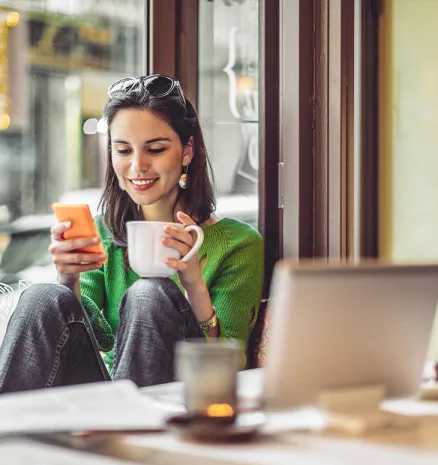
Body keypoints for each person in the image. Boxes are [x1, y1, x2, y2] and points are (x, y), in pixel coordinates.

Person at [0, 75, 263, 392]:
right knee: (43, 296)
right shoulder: (101, 232)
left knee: (149, 292)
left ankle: (131, 432)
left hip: (177, 398)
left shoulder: (238, 244)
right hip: (106, 396)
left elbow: (228, 365)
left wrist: (193, 284)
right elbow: (100, 339)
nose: (137, 166)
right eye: (123, 150)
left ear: (187, 150)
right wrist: (68, 280)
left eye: (155, 149)